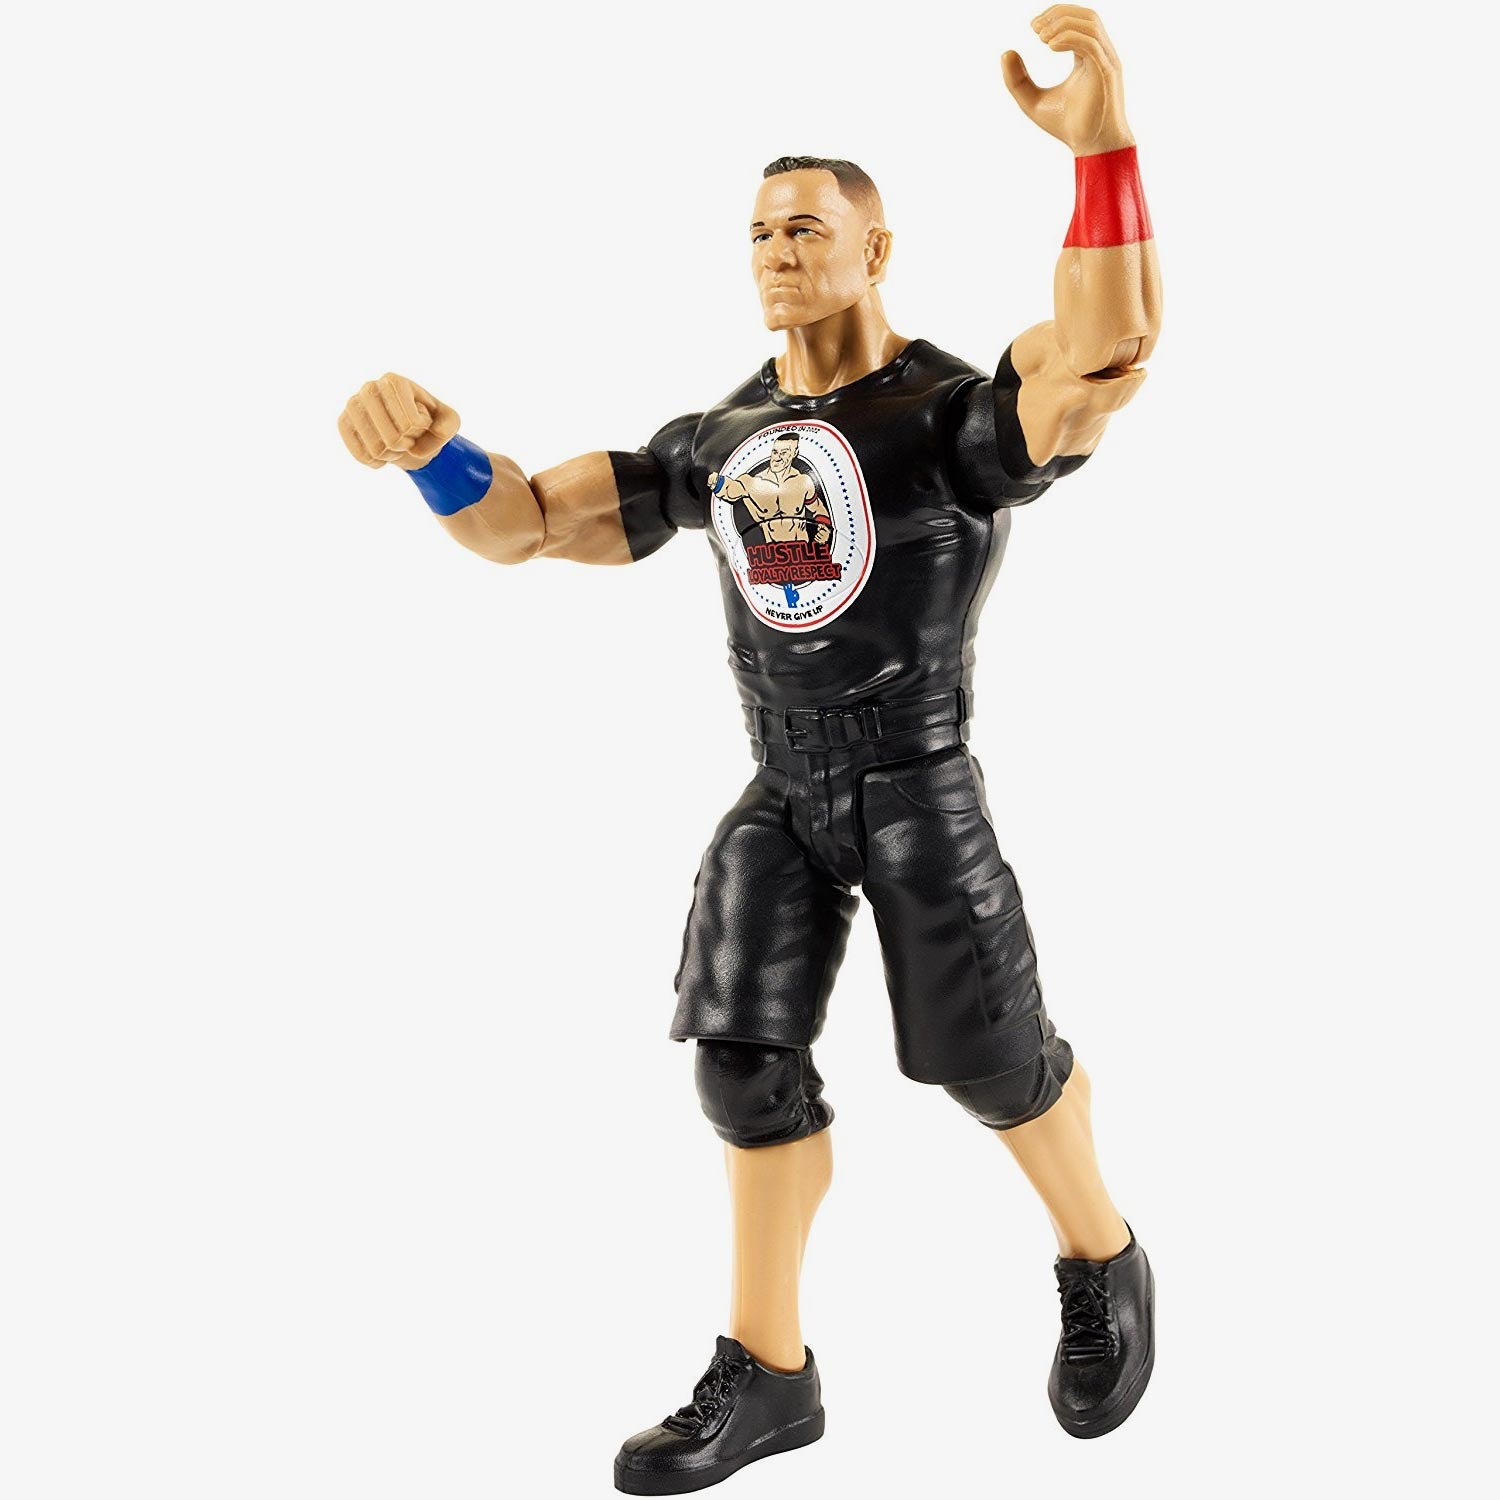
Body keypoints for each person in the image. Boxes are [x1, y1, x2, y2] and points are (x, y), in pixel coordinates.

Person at [338, 8, 1161, 1491]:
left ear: (875, 247)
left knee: (991, 1062)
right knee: (738, 1064)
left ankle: (1102, 1253)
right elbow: (530, 523)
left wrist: (1101, 154)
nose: (778, 251)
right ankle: (770, 1370)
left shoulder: (946, 416)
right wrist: (431, 456)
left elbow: (1103, 353)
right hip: (782, 785)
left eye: (806, 228)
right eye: (761, 231)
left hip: (913, 778)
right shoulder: (718, 440)